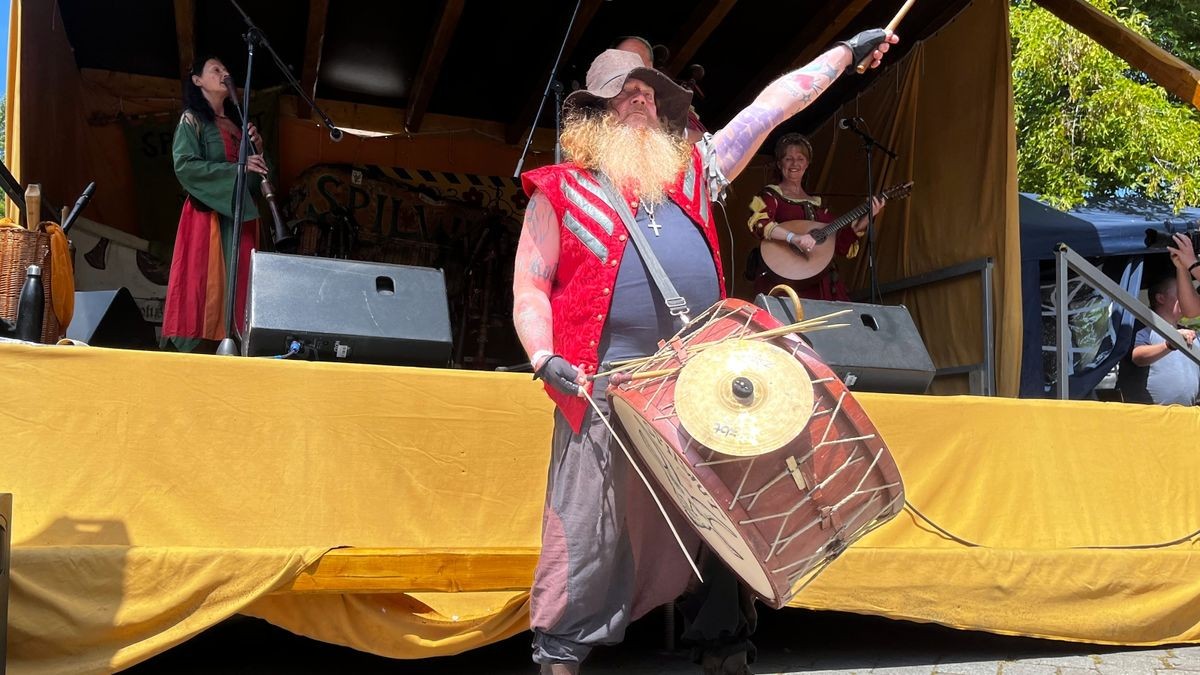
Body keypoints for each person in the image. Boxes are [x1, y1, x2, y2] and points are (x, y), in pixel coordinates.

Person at [512, 29, 897, 675]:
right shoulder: (558, 190)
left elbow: (774, 106)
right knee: (587, 527)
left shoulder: (696, 169)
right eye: (623, 93)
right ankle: (561, 654)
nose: (639, 99)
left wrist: (845, 55)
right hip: (598, 387)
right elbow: (531, 281)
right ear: (594, 114)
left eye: (647, 91)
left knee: (723, 510)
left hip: (699, 379)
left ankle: (722, 645)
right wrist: (542, 355)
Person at [161, 56, 268, 352]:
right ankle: (198, 346)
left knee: (241, 282)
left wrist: (257, 151)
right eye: (216, 69)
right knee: (203, 282)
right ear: (197, 80)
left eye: (225, 68)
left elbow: (253, 178)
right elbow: (185, 166)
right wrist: (238, 169)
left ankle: (237, 340)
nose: (225, 73)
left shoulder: (239, 126)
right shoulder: (192, 119)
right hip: (208, 215)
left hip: (240, 215)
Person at [746, 133, 883, 300]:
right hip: (785, 281)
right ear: (779, 163)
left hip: (821, 284)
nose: (794, 163)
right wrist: (794, 238)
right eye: (788, 158)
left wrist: (863, 222)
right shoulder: (769, 195)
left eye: (800, 158)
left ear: (807, 164)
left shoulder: (818, 205)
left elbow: (840, 246)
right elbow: (758, 223)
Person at [1115, 273, 1200, 405]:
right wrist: (1169, 345)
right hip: (1148, 415)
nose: (1185, 297)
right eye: (1180, 292)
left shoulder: (1191, 334)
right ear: (1161, 298)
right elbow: (1138, 356)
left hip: (1185, 416)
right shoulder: (1141, 326)